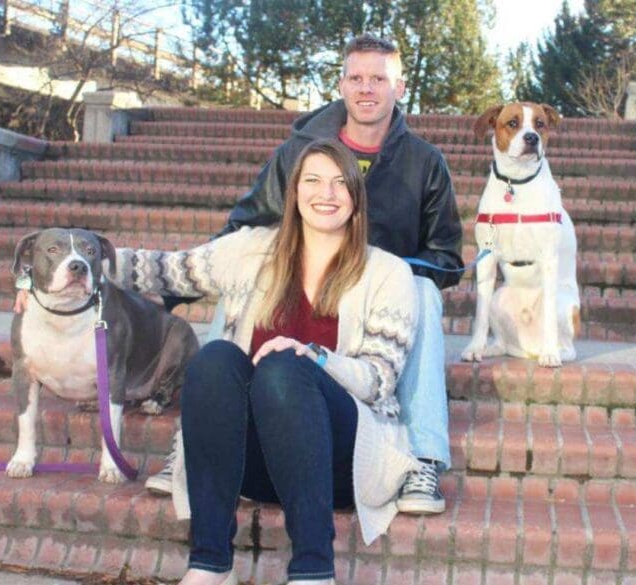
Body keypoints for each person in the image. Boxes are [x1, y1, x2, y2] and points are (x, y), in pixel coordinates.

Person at [150, 33, 462, 515]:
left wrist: (383, 271)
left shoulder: (426, 163)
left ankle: (422, 457)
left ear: (399, 88)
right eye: (356, 77)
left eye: (378, 78)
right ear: (341, 84)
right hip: (299, 281)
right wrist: (165, 296)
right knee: (245, 275)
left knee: (422, 288)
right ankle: (193, 446)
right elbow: (244, 227)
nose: (366, 89)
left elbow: (446, 257)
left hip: (378, 307)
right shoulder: (298, 151)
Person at [117, 139, 420, 585]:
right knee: (217, 357)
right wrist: (70, 264)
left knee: (284, 366)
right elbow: (164, 269)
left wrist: (315, 357)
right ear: (294, 192)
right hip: (250, 465)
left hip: (342, 465)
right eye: (313, 181)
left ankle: (313, 571)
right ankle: (210, 565)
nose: (326, 193)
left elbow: (378, 380)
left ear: (356, 197)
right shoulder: (251, 251)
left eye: (340, 183)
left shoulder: (387, 272)